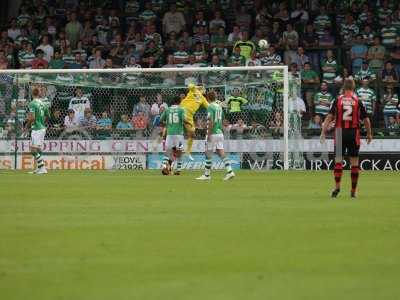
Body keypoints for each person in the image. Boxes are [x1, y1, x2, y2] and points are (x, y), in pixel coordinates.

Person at [320, 79, 372, 198]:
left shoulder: (337, 100)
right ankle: (353, 191)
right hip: (354, 133)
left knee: (338, 161)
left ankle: (337, 187)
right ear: (353, 87)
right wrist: (369, 134)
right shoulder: (358, 101)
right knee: (354, 162)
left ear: (344, 87)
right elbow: (366, 119)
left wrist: (323, 132)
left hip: (339, 133)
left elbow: (329, 117)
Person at [197, 91, 235, 181]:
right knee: (221, 152)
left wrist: (209, 133)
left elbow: (211, 121)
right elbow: (220, 120)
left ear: (208, 98)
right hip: (219, 132)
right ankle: (230, 172)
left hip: (213, 133)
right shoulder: (219, 107)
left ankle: (206, 175)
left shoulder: (210, 106)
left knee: (208, 153)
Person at [180, 83, 209, 160]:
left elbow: (209, 107)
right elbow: (190, 85)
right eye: (203, 88)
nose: (204, 90)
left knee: (192, 134)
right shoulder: (193, 90)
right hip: (182, 111)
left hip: (190, 116)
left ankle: (187, 152)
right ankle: (179, 145)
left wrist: (217, 105)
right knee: (178, 128)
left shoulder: (203, 99)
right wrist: (197, 87)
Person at [25, 87, 50, 174]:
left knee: (32, 150)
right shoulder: (43, 103)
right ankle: (40, 168)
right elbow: (48, 115)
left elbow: (32, 118)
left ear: (32, 94)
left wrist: (26, 127)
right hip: (42, 127)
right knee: (38, 149)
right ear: (39, 94)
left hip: (36, 128)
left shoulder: (32, 103)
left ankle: (43, 168)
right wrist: (42, 122)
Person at [159, 96, 185, 175]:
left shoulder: (167, 110)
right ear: (179, 102)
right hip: (179, 134)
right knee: (179, 151)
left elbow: (160, 120)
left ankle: (164, 167)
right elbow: (184, 119)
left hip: (169, 134)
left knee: (168, 152)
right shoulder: (181, 109)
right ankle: (178, 170)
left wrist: (168, 124)